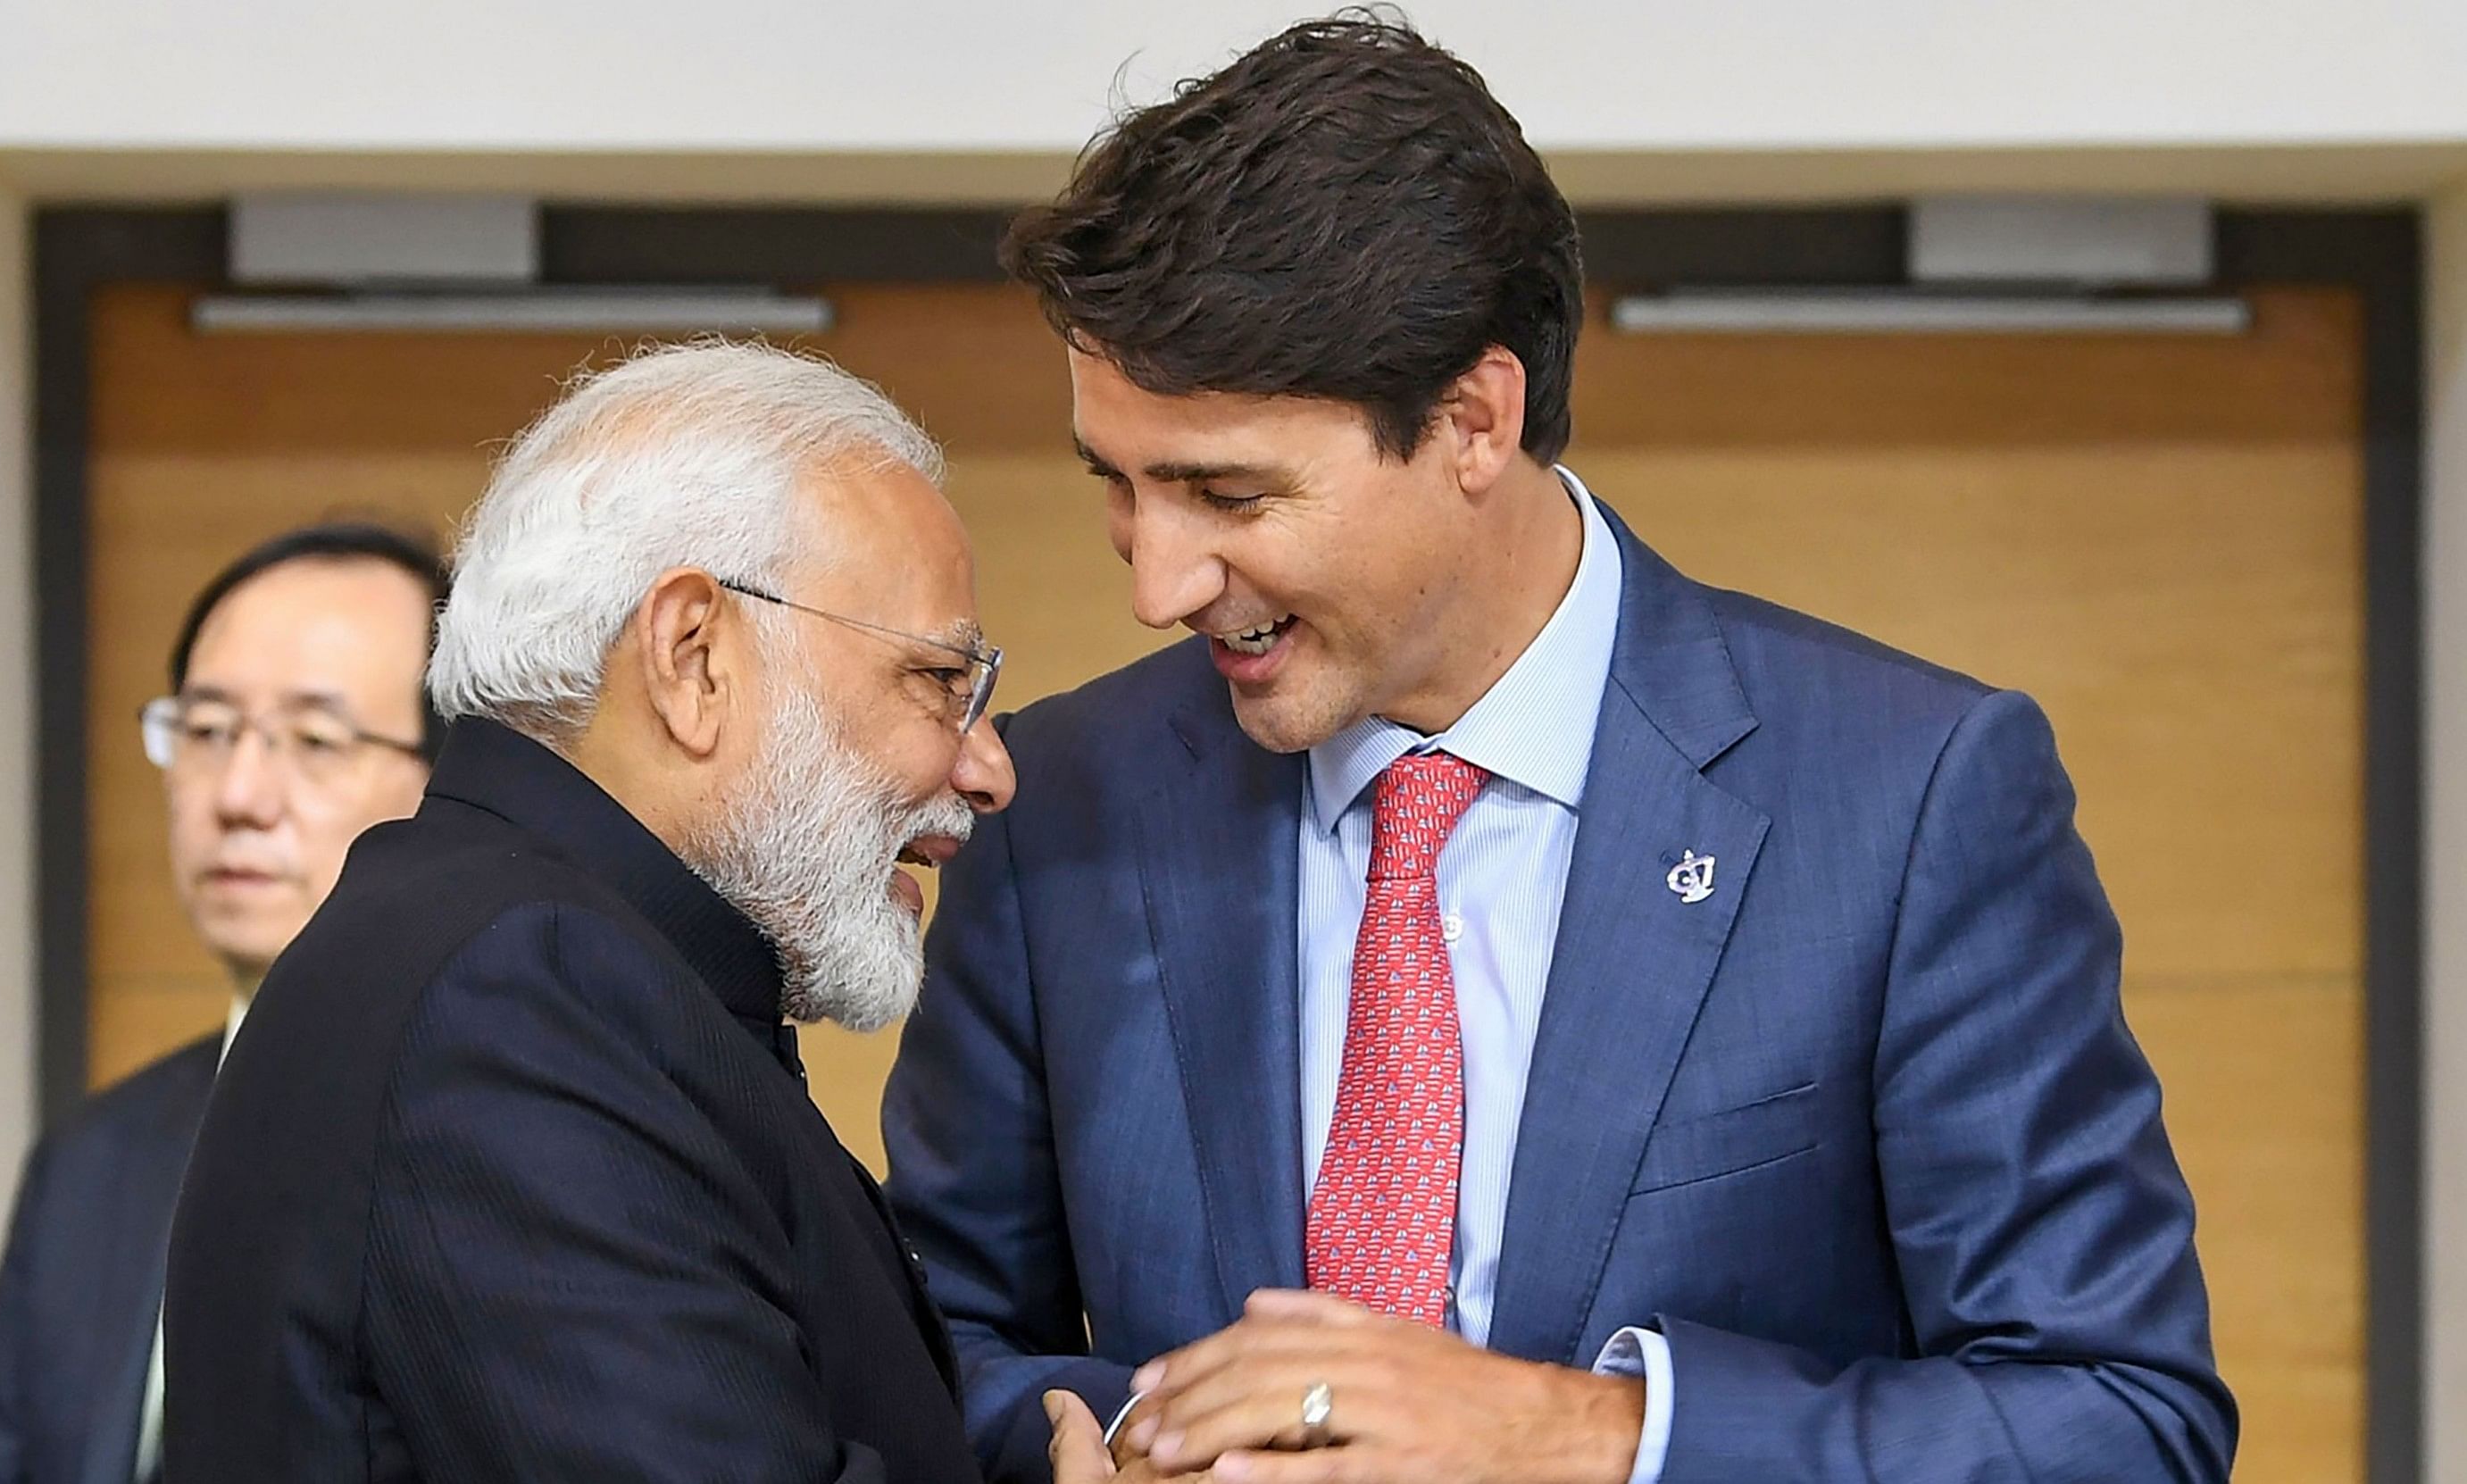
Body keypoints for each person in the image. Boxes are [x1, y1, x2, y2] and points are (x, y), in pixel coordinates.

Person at [881, 17, 2238, 1484]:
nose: (1158, 582)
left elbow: (2121, 1420)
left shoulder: (1911, 799)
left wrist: (1585, 1434)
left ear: (1473, 419)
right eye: (1122, 488)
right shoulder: (1055, 802)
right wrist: (1110, 1445)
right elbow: (919, 1347)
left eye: (1226, 492)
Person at [162, 340, 1015, 1483]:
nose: (987, 768)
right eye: (939, 683)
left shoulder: (528, 954)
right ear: (692, 658)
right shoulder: (515, 993)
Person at [0, 521, 447, 1484]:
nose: (241, 794)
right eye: (209, 731)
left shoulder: (510, 1141)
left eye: (315, 739)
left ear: (444, 782)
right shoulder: (91, 1163)